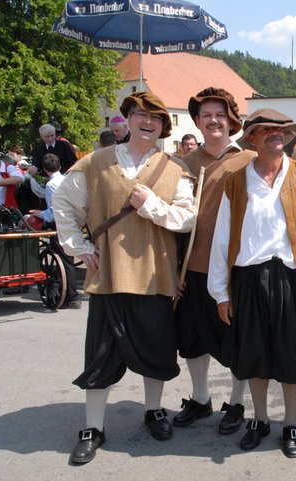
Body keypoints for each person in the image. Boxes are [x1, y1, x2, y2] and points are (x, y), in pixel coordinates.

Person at [53, 92, 196, 464]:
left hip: (154, 275)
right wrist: (79, 248)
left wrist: (149, 204)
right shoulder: (94, 163)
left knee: (157, 350)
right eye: (140, 115)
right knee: (100, 355)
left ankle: (153, 411)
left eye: (156, 119)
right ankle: (93, 428)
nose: (148, 122)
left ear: (164, 127)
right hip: (110, 275)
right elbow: (65, 205)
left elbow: (187, 218)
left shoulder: (176, 168)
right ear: (127, 120)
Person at [207, 108, 296, 458]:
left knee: (291, 357)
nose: (274, 135)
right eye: (265, 130)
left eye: (279, 130)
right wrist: (220, 292)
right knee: (254, 356)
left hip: (291, 280)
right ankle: (260, 420)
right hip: (248, 279)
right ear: (252, 138)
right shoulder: (236, 180)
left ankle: (291, 422)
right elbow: (222, 238)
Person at [173, 87, 255, 435]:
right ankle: (201, 398)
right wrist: (172, 268)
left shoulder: (248, 160)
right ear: (197, 122)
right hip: (191, 268)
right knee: (191, 339)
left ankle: (236, 402)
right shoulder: (182, 165)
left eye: (220, 114)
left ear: (232, 120)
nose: (213, 120)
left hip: (234, 270)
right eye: (206, 115)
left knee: (236, 340)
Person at [27, 153, 79, 307]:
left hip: (60, 224)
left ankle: (71, 296)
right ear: (60, 166)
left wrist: (39, 213)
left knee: (64, 259)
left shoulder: (51, 185)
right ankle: (72, 295)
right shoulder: (67, 179)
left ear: (44, 169)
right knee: (69, 259)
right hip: (73, 221)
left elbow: (53, 211)